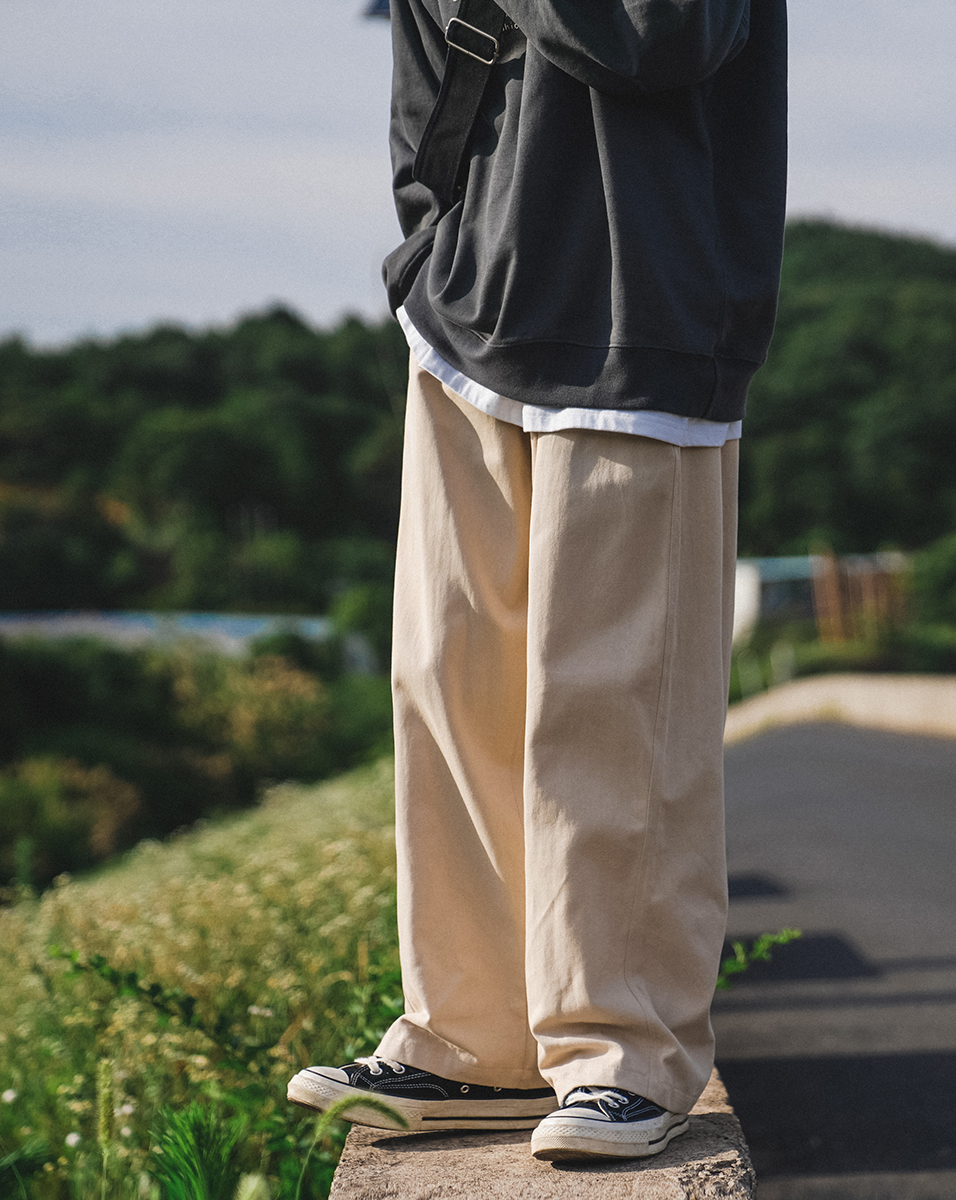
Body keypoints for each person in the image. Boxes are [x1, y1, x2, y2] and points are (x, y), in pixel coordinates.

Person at [287, 0, 786, 1162]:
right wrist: (431, 252)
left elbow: (658, 36)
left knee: (610, 705)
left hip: (643, 315)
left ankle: (627, 1052)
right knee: (447, 685)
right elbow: (428, 72)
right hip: (467, 321)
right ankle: (473, 1042)